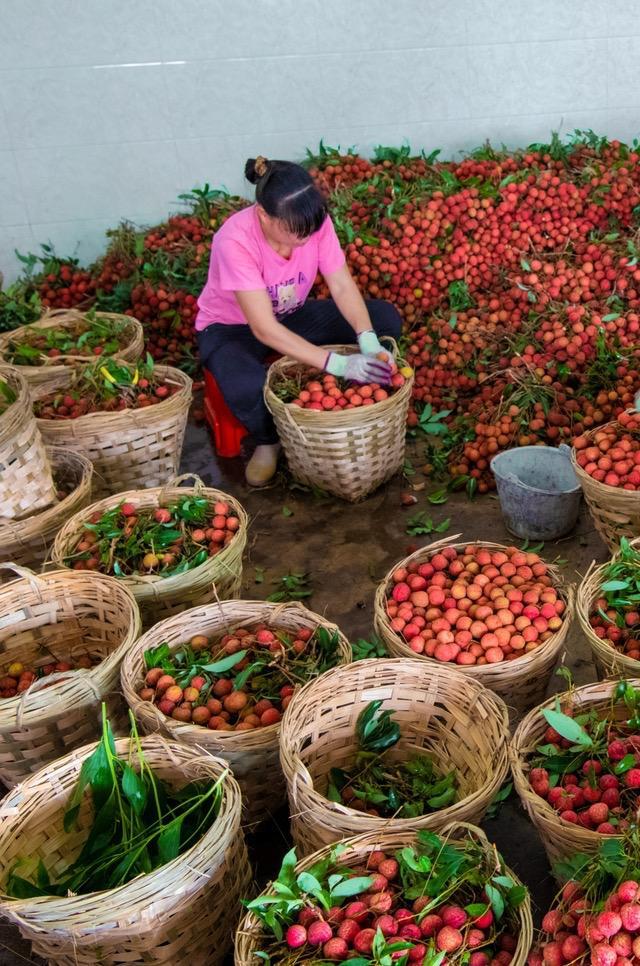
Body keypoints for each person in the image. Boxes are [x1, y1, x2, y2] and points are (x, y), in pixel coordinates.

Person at [196, 155, 403, 486]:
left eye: (312, 229)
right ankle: (268, 441)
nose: (307, 238)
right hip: (231, 328)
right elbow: (263, 328)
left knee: (384, 318)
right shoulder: (234, 241)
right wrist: (338, 365)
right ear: (264, 216)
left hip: (288, 314)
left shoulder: (313, 223)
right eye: (296, 232)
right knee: (245, 385)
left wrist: (367, 340)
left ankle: (341, 382)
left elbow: (340, 284)